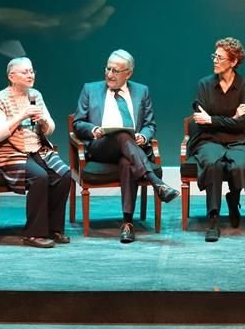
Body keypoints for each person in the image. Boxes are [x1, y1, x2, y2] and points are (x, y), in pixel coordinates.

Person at [72, 50, 180, 243]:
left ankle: (127, 224)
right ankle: (156, 182)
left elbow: (150, 124)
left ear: (128, 73)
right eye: (108, 68)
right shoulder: (90, 89)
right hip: (101, 148)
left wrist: (143, 137)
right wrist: (94, 129)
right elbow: (78, 123)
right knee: (122, 135)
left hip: (131, 151)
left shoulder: (141, 91)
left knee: (127, 162)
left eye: (115, 70)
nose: (109, 74)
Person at [0, 57, 71, 248]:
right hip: (8, 152)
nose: (30, 75)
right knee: (39, 176)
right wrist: (21, 115)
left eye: (32, 71)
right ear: (11, 76)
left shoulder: (35, 95)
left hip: (36, 149)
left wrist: (43, 122)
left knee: (64, 174)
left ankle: (53, 228)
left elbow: (50, 129)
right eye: (25, 72)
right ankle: (34, 233)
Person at [187, 37, 245, 242]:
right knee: (213, 163)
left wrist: (215, 119)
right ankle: (213, 219)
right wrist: (231, 118)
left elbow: (242, 124)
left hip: (238, 140)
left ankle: (233, 200)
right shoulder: (204, 84)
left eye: (220, 57)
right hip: (209, 139)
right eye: (214, 56)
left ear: (233, 62)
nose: (215, 61)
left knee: (240, 164)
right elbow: (201, 122)